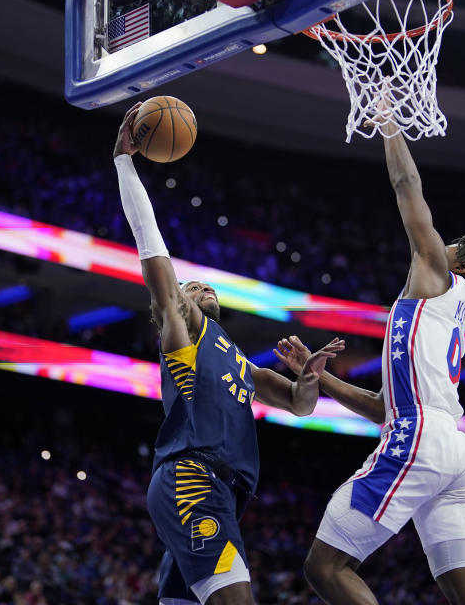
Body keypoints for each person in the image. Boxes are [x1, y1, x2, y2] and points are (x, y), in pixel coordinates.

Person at [112, 102, 344, 605]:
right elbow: (154, 259)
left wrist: (308, 377)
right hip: (192, 480)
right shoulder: (185, 340)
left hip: (221, 493)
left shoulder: (240, 361)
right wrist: (125, 164)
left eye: (204, 285)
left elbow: (302, 406)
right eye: (192, 287)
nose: (201, 286)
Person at [274, 118, 465, 605]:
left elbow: (406, 185)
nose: (439, 244)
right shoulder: (448, 312)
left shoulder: (436, 274)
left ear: (456, 265)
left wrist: (388, 123)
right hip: (452, 449)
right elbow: (382, 408)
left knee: (325, 566)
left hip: (419, 437)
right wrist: (320, 378)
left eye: (449, 246)